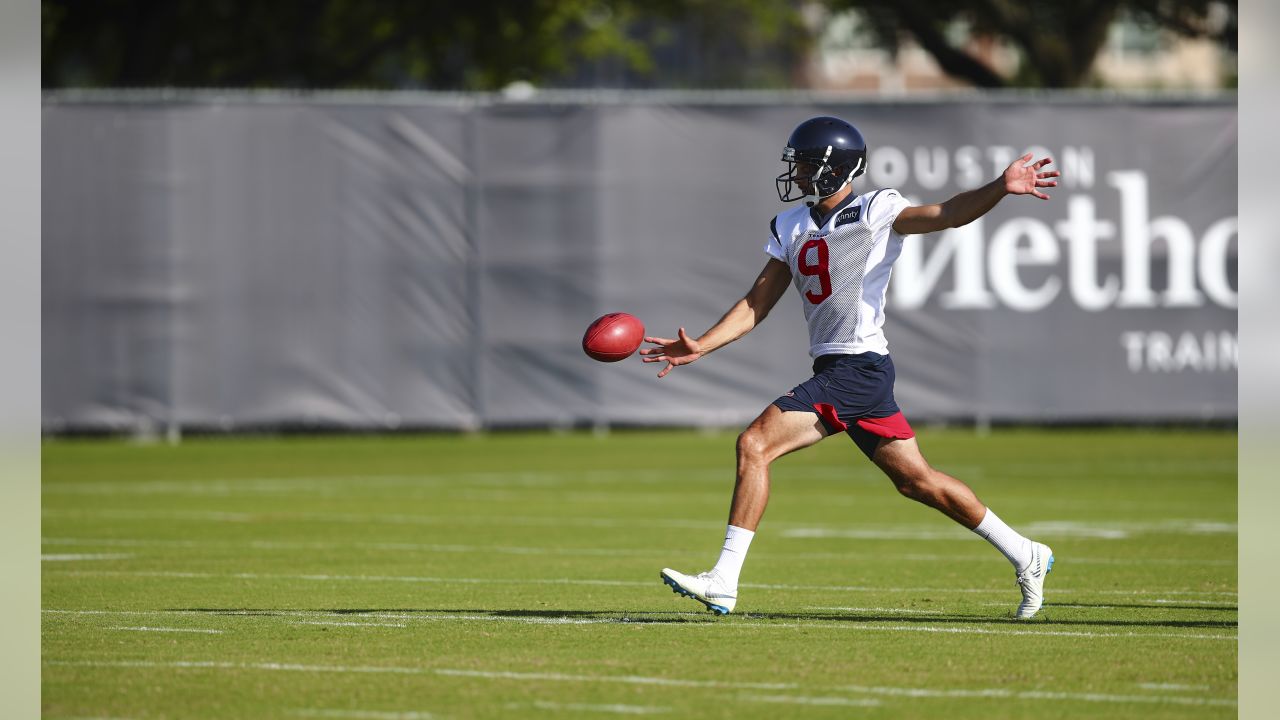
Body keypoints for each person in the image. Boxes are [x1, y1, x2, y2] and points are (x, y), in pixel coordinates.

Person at [642, 116, 1060, 619]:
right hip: (849, 369)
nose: (795, 173)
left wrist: (1001, 186)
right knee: (917, 482)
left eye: (805, 164)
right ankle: (1025, 552)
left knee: (754, 444)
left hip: (857, 367)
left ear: (838, 168)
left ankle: (724, 579)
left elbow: (946, 213)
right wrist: (701, 346)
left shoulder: (876, 209)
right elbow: (758, 301)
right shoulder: (790, 225)